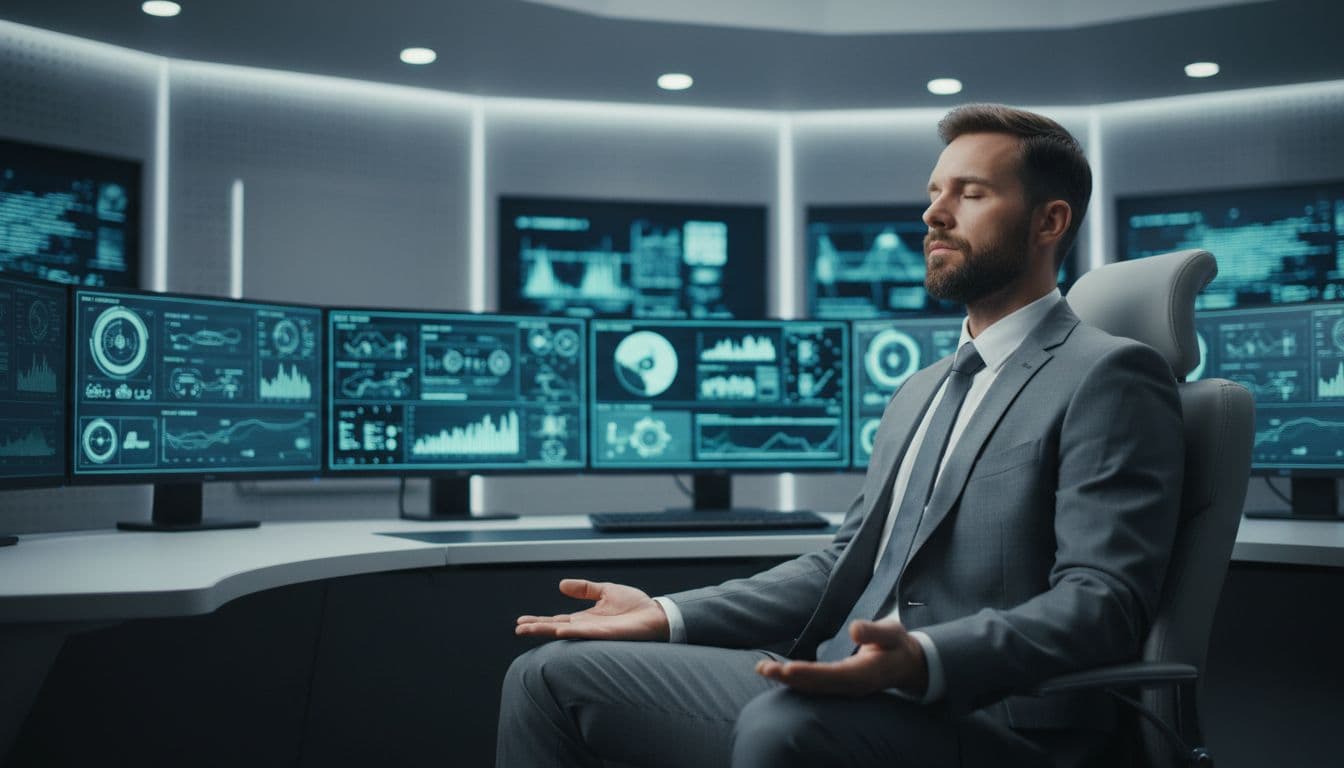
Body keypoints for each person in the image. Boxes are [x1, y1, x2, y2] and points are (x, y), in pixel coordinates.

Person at [497, 104, 1184, 768]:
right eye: (933, 192)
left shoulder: (1109, 375)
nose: (933, 214)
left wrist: (926, 658)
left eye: (969, 194)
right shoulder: (921, 389)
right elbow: (842, 565)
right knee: (548, 677)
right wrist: (665, 614)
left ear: (1049, 221)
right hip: (842, 688)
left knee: (786, 725)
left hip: (991, 717)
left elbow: (1103, 602)